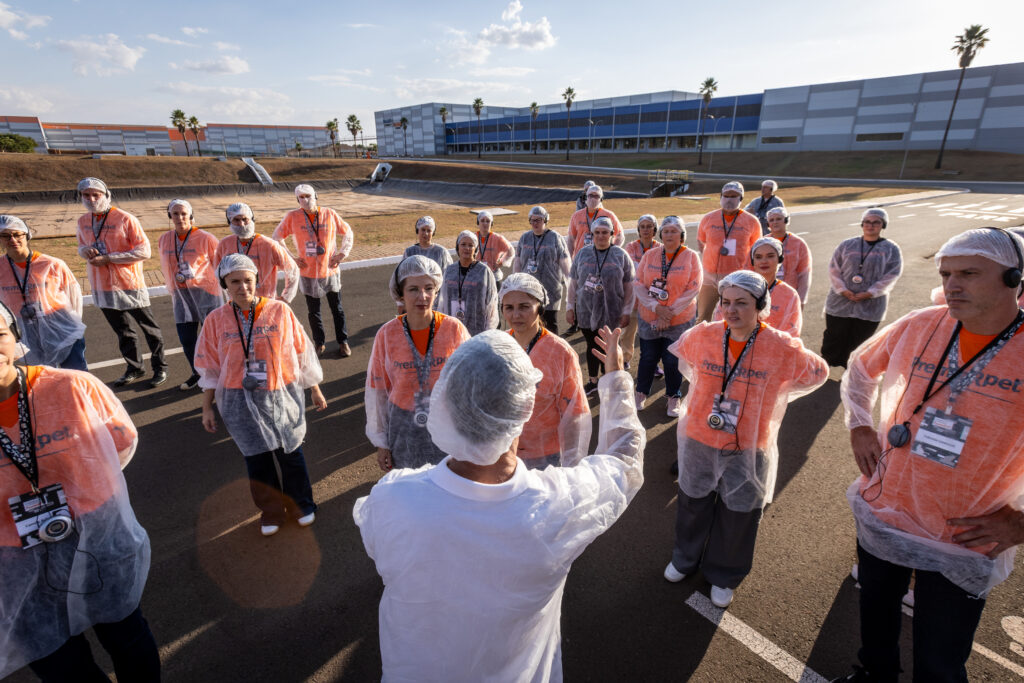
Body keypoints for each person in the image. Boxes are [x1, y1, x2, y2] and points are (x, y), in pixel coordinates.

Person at [353, 326, 645, 682]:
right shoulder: (556, 505)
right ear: (525, 407)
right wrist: (615, 377)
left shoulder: (392, 498)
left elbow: (375, 540)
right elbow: (625, 462)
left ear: (445, 402)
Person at [834, 227, 1024, 683]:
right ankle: (873, 675)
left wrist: (1022, 522)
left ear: (1014, 277)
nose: (952, 284)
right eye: (946, 273)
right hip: (888, 505)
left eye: (969, 273)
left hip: (964, 530)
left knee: (940, 657)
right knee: (876, 620)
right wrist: (860, 425)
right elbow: (860, 369)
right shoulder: (922, 324)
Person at [0, 301, 159, 682]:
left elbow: (119, 442)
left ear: (14, 336)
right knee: (57, 661)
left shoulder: (72, 387)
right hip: (14, 558)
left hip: (94, 539)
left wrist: (81, 490)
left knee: (126, 637)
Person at [664, 270, 827, 608]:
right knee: (693, 503)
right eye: (726, 302)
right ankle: (685, 559)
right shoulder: (705, 335)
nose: (731, 310)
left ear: (761, 305)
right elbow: (684, 359)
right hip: (699, 436)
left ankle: (724, 574)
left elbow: (817, 372)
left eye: (742, 303)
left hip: (749, 444)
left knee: (739, 512)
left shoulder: (780, 345)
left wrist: (777, 392)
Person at [195, 254, 327, 536]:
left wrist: (313, 387)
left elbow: (302, 352)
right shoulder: (215, 320)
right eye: (235, 282)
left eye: (248, 280)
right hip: (238, 400)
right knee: (257, 458)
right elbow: (209, 367)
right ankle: (271, 511)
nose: (243, 287)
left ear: (257, 280)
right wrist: (207, 407)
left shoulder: (279, 311)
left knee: (290, 452)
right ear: (225, 285)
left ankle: (301, 504)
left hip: (281, 394)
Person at [366, 255, 471, 471]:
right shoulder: (387, 334)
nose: (422, 296)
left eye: (428, 288)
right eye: (413, 289)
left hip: (447, 427)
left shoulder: (454, 329)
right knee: (409, 493)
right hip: (403, 431)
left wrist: (470, 435)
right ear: (401, 294)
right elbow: (378, 392)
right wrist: (381, 442)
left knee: (448, 488)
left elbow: (469, 384)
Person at [75, 177, 167, 388]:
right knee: (123, 332)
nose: (91, 199)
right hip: (102, 286)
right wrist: (85, 251)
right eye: (86, 195)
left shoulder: (125, 218)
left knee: (150, 329)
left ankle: (160, 367)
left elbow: (144, 251)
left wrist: (109, 258)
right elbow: (80, 247)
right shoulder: (82, 221)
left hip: (129, 285)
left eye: (95, 195)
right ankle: (134, 367)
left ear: (105, 195)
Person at [500, 273, 591, 468]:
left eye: (524, 306)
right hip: (502, 450)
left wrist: (571, 464)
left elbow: (574, 414)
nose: (516, 315)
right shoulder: (498, 345)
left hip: (544, 455)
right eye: (509, 308)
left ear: (540, 308)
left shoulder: (561, 353)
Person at [272, 184, 354, 358]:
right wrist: (291, 258)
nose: (305, 200)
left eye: (308, 196)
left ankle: (343, 342)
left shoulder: (329, 214)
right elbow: (276, 237)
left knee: (337, 309)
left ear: (315, 196)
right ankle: (319, 343)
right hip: (308, 273)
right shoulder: (292, 217)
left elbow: (348, 232)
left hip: (330, 271)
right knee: (313, 312)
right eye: (300, 197)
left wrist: (341, 254)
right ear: (297, 200)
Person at [633, 215, 703, 416]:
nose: (669, 234)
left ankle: (673, 396)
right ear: (661, 234)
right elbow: (639, 284)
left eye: (674, 231)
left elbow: (693, 288)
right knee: (648, 358)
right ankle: (641, 392)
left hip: (679, 319)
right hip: (649, 317)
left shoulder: (690, 257)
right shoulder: (651, 255)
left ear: (682, 235)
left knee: (673, 361)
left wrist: (668, 313)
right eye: (666, 231)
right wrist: (656, 308)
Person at [0, 215, 87, 370]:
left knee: (75, 377)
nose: (12, 240)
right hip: (25, 336)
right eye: (5, 236)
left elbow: (74, 298)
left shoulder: (52, 264)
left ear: (26, 236)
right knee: (39, 382)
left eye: (17, 234)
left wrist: (69, 326)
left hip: (61, 329)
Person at [821, 208, 903, 368]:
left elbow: (892, 274)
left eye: (876, 222)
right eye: (867, 222)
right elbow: (834, 269)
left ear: (883, 225)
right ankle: (824, 368)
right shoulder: (847, 245)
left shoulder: (891, 249)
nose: (870, 226)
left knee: (860, 340)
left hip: (871, 305)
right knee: (834, 335)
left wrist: (871, 292)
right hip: (840, 301)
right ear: (862, 224)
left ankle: (851, 372)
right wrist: (842, 289)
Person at [158, 199, 224, 391]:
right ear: (170, 216)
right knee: (187, 338)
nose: (180, 218)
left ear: (191, 215)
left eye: (184, 213)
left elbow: (219, 265)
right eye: (175, 214)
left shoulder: (206, 238)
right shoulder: (164, 239)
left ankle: (221, 373)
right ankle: (198, 373)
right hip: (181, 295)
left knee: (213, 337)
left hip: (206, 293)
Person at [567, 216, 635, 395]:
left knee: (610, 346)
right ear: (592, 235)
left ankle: (609, 379)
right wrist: (569, 306)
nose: (601, 236)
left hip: (612, 310)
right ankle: (593, 381)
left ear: (612, 234)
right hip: (585, 309)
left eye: (605, 232)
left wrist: (627, 311)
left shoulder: (621, 255)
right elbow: (573, 282)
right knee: (592, 344)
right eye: (597, 233)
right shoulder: (583, 253)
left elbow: (629, 287)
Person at [696, 181, 762, 322]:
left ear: (741, 199)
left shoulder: (751, 221)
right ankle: (702, 342)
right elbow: (701, 241)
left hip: (736, 278)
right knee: (702, 317)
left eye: (734, 196)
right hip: (709, 277)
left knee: (732, 318)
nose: (729, 199)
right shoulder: (708, 218)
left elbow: (756, 250)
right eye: (726, 195)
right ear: (721, 197)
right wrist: (710, 258)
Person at [716, 237, 802, 337]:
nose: (764, 261)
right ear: (753, 261)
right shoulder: (737, 287)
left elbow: (791, 334)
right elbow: (720, 321)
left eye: (770, 256)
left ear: (779, 259)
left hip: (773, 348)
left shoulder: (789, 295)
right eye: (758, 257)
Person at [214, 202, 299, 303]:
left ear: (252, 219)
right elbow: (218, 273)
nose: (241, 224)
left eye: (244, 219)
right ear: (230, 222)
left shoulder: (269, 245)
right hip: (236, 303)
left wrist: (286, 297)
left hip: (265, 303)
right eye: (236, 220)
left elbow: (292, 269)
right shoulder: (225, 244)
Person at [513, 206, 571, 334]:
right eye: (532, 220)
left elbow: (565, 264)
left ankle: (554, 352)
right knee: (531, 324)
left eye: (538, 220)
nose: (535, 223)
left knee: (550, 324)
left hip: (550, 290)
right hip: (529, 290)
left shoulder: (555, 238)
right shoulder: (525, 238)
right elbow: (517, 261)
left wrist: (571, 287)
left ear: (545, 220)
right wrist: (515, 284)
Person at [440, 231, 498, 336]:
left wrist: (489, 331)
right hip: (452, 329)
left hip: (477, 330)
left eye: (471, 245)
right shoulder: (449, 270)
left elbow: (492, 303)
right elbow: (441, 300)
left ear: (475, 249)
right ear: (457, 247)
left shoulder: (484, 271)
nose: (467, 248)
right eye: (463, 244)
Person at [623, 214, 661, 369]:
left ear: (655, 229)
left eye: (649, 226)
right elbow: (633, 268)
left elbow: (662, 271)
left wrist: (646, 271)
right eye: (643, 227)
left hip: (653, 297)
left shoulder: (660, 248)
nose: (646, 230)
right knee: (628, 331)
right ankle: (625, 358)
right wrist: (651, 271)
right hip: (633, 297)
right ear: (638, 230)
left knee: (653, 333)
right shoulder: (631, 247)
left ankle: (654, 363)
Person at [765, 207, 811, 306]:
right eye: (771, 220)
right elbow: (751, 269)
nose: (775, 222)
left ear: (786, 220)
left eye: (778, 219)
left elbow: (804, 274)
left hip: (790, 294)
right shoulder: (762, 243)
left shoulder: (798, 243)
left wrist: (801, 300)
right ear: (768, 224)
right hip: (766, 294)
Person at [567, 183, 625, 257]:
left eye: (596, 196)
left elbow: (620, 235)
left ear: (601, 199)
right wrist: (570, 258)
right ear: (586, 197)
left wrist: (612, 251)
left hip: (602, 257)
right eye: (590, 195)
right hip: (581, 258)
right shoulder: (576, 216)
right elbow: (571, 239)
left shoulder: (609, 215)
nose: (593, 199)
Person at [474, 210, 514, 283]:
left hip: (494, 277)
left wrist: (502, 262)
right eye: (482, 220)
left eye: (488, 221)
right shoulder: (472, 237)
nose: (485, 223)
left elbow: (510, 251)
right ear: (478, 223)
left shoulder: (497, 238)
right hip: (476, 276)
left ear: (491, 224)